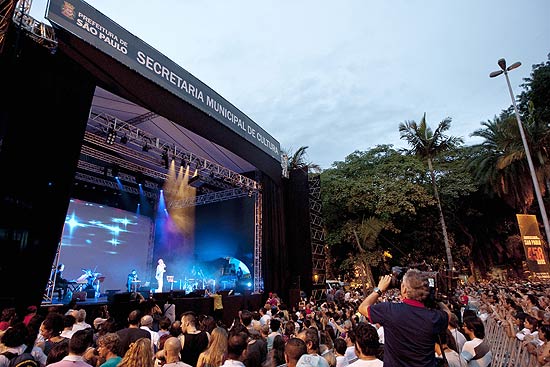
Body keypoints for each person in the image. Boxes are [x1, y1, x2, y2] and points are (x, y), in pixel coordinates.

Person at [358, 269, 449, 367]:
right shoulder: (434, 317)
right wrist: (434, 298)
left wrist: (379, 289)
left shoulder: (390, 311)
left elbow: (362, 308)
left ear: (404, 289)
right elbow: (448, 314)